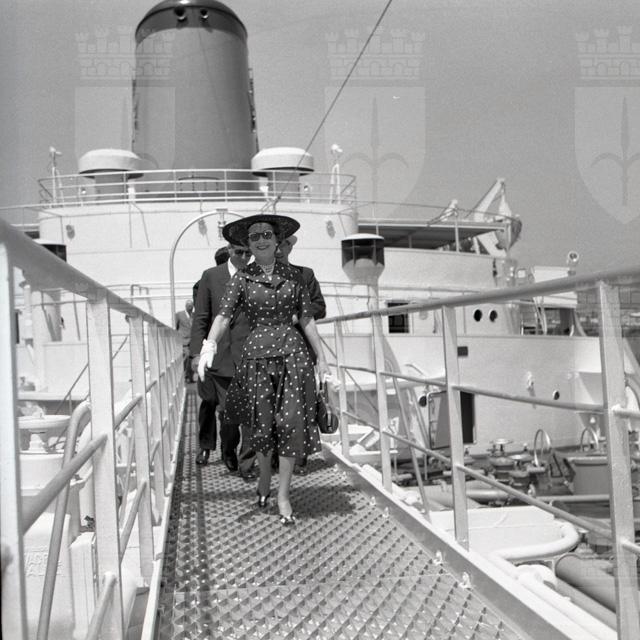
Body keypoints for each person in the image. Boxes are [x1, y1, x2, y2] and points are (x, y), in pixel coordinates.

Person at [197, 214, 330, 525]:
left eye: (266, 234)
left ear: (277, 239)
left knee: (291, 424)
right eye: (254, 236)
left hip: (293, 357)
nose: (260, 240)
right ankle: (265, 476)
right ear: (247, 243)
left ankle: (283, 495)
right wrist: (209, 345)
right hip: (257, 359)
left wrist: (322, 358)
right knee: (261, 425)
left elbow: (307, 318)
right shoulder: (241, 279)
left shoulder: (295, 277)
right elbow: (223, 316)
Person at [190, 243, 256, 479]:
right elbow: (201, 317)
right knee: (228, 413)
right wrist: (196, 353)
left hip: (252, 355)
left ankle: (247, 464)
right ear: (229, 250)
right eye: (240, 252)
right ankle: (228, 449)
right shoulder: (210, 277)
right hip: (221, 357)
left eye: (249, 253)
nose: (245, 257)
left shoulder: (260, 274)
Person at [275, 233, 326, 475]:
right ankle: (276, 456)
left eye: (284, 244)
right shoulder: (255, 277)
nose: (279, 249)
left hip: (300, 350)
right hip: (268, 351)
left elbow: (320, 307)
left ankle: (299, 458)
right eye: (275, 244)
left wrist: (296, 316)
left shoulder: (305, 275)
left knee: (302, 407)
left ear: (290, 248)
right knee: (272, 406)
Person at [175, 300, 194, 382]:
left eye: (191, 306)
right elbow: (175, 327)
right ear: (185, 306)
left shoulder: (194, 315)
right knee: (186, 358)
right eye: (188, 305)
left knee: (192, 359)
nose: (190, 307)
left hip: (192, 342)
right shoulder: (179, 315)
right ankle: (182, 376)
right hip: (184, 341)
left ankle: (190, 377)